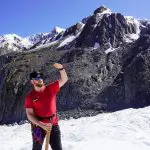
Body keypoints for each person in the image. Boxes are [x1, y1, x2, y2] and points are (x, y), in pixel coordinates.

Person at [24, 63, 68, 150]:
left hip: (53, 125)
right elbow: (29, 114)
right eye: (36, 78)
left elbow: (64, 79)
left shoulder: (51, 88)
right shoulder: (30, 97)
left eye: (40, 78)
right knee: (36, 149)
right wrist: (41, 124)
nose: (40, 80)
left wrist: (61, 69)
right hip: (38, 126)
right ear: (32, 81)